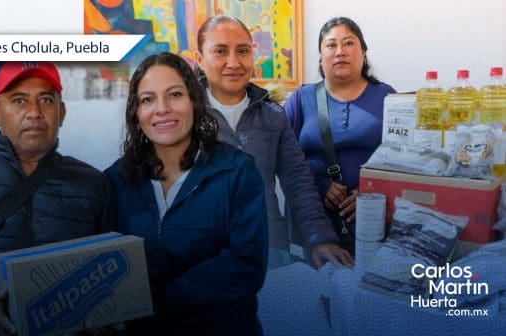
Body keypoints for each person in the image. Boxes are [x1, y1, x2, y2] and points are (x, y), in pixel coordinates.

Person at [0, 62, 114, 335]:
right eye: (18, 100)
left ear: (61, 113)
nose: (34, 112)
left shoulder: (95, 184)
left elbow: (110, 272)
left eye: (46, 100)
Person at [105, 52, 267, 335]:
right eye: (147, 99)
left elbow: (245, 264)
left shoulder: (237, 171)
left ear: (194, 101)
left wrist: (156, 304)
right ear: (136, 112)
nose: (162, 108)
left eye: (175, 94)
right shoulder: (115, 180)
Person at [194, 14, 353, 268]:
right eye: (220, 51)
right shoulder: (181, 117)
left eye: (243, 51)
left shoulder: (272, 116)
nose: (233, 62)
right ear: (200, 59)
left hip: (268, 252)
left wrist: (320, 239)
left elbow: (298, 181)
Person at [284, 17, 397, 254]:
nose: (340, 52)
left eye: (348, 43)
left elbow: (405, 160)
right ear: (320, 55)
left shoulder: (389, 97)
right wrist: (319, 185)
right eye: (331, 45)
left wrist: (372, 191)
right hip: (315, 217)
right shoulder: (300, 100)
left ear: (363, 52)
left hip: (374, 217)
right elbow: (284, 160)